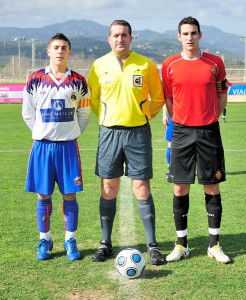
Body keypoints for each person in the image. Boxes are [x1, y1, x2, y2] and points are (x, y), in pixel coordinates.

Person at [87, 20, 165, 265]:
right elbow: (94, 99)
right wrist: (108, 118)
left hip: (138, 134)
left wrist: (143, 115)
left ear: (132, 38)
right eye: (115, 35)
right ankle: (105, 243)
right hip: (109, 133)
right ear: (109, 39)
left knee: (141, 187)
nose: (120, 39)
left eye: (124, 35)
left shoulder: (146, 64)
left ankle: (152, 245)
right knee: (108, 188)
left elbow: (158, 98)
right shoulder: (99, 65)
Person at [162, 16, 230, 264]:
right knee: (180, 187)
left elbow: (222, 93)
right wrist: (178, 118)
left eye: (193, 33)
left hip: (209, 131)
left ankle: (214, 245)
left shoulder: (215, 63)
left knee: (212, 186)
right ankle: (181, 244)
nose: (189, 37)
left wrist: (211, 116)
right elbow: (169, 99)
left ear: (200, 35)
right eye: (185, 33)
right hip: (181, 132)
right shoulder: (169, 64)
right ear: (178, 37)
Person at [22, 33, 91, 261]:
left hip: (68, 149)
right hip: (42, 148)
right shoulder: (35, 79)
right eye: (56, 47)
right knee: (43, 196)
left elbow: (84, 113)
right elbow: (28, 113)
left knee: (69, 195)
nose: (60, 51)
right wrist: (41, 133)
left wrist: (72, 133)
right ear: (48, 51)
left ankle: (70, 239)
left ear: (69, 52)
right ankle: (45, 239)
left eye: (64, 48)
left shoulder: (79, 81)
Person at [162, 104, 173, 178]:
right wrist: (164, 115)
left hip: (187, 116)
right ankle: (170, 168)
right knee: (171, 142)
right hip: (173, 117)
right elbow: (166, 101)